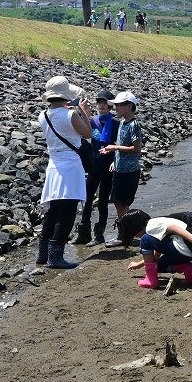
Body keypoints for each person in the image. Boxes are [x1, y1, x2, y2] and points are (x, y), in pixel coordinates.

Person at [37, 75, 94, 270]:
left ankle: (42, 254)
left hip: (53, 165)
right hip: (70, 165)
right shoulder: (70, 114)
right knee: (68, 212)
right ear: (65, 95)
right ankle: (56, 257)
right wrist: (83, 112)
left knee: (53, 211)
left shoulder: (43, 115)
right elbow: (88, 133)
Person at [117, 209, 192, 290]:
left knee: (145, 240)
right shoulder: (157, 223)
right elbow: (156, 253)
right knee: (157, 267)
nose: (136, 237)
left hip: (190, 246)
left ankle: (151, 280)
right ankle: (189, 269)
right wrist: (139, 264)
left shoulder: (151, 226)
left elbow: (173, 228)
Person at [75, 90, 119, 246]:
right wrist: (82, 112)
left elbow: (119, 145)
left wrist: (115, 160)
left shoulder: (115, 123)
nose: (102, 105)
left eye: (105, 103)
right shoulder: (92, 121)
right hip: (93, 166)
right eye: (99, 102)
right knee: (86, 199)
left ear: (110, 106)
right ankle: (83, 233)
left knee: (102, 202)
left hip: (108, 168)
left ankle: (99, 235)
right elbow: (80, 132)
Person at [102, 91, 144, 227]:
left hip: (129, 171)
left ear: (129, 106)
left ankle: (126, 232)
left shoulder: (133, 125)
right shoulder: (122, 123)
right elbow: (121, 144)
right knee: (117, 202)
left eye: (119, 105)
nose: (116, 108)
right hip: (120, 169)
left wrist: (115, 148)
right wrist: (115, 159)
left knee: (122, 204)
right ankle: (127, 230)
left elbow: (137, 148)